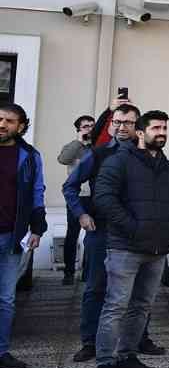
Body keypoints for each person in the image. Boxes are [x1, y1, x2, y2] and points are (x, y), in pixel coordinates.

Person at [89, 109, 169, 368]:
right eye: (156, 128)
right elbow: (103, 198)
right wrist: (133, 227)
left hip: (156, 249)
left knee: (141, 306)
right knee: (115, 306)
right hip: (125, 247)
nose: (161, 133)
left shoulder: (166, 166)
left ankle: (127, 356)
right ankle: (105, 363)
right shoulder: (119, 161)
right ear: (140, 132)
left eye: (164, 128)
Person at [65, 103, 152, 363]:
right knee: (96, 287)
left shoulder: (148, 155)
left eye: (128, 122)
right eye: (117, 122)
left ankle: (139, 339)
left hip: (137, 231)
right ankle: (90, 342)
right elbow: (70, 186)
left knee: (140, 291)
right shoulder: (98, 153)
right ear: (111, 123)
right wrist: (81, 213)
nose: (122, 127)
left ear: (137, 126)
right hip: (102, 230)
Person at [0, 103, 47, 368]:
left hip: (10, 235)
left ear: (20, 126)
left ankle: (2, 350)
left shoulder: (29, 156)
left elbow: (37, 192)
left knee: (6, 298)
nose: (2, 124)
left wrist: (37, 228)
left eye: (9, 121)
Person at [56, 113, 96, 285]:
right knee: (72, 235)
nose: (89, 129)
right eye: (85, 126)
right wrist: (79, 141)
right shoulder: (73, 146)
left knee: (92, 235)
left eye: (92, 126)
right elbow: (63, 159)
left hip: (93, 197)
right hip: (76, 198)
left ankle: (87, 272)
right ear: (79, 129)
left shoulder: (97, 147)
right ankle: (69, 272)